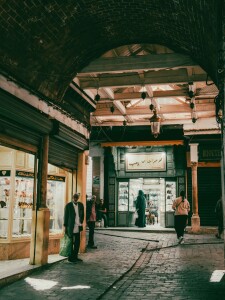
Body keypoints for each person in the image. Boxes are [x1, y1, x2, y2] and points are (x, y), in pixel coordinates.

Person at [63, 193, 84, 263]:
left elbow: (82, 214)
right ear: (72, 198)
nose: (75, 199)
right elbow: (65, 216)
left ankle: (75, 256)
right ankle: (70, 257)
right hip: (70, 226)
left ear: (78, 198)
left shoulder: (81, 205)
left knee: (77, 242)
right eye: (74, 197)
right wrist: (65, 226)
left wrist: (81, 222)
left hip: (78, 226)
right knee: (70, 242)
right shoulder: (68, 205)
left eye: (77, 197)